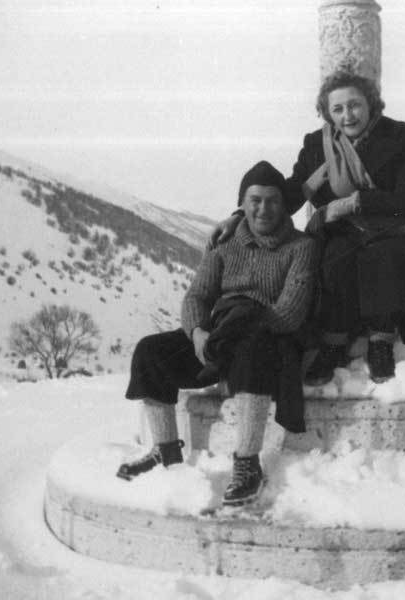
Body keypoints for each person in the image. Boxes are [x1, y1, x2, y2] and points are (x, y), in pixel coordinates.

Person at [117, 160, 319, 508]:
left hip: (265, 336)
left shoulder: (301, 247)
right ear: (242, 203)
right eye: (255, 200)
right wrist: (197, 333)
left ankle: (247, 463)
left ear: (284, 205)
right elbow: (197, 296)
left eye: (272, 200)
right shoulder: (225, 244)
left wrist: (241, 328)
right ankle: (165, 449)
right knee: (151, 351)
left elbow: (289, 312)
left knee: (254, 346)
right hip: (218, 336)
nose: (263, 209)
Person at [210, 71, 405, 384]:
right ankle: (333, 344)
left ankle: (381, 341)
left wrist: (353, 203)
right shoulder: (318, 144)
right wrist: (239, 216)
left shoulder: (400, 136)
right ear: (327, 113)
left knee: (381, 256)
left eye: (354, 105)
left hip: (396, 230)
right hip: (344, 232)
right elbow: (291, 193)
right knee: (331, 258)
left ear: (370, 103)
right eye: (337, 109)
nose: (347, 115)